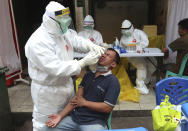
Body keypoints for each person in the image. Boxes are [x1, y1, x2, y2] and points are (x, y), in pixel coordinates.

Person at [24, 1, 105, 131]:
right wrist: (82, 62)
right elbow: (55, 67)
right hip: (48, 93)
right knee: (46, 124)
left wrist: (90, 45)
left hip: (66, 85)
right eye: (62, 22)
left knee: (67, 121)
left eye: (66, 21)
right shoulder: (37, 42)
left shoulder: (61, 31)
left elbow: (76, 39)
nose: (65, 25)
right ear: (51, 21)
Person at [40, 48, 120, 131]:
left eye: (108, 55)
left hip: (94, 122)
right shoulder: (88, 75)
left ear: (113, 64)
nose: (103, 55)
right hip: (75, 119)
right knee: (45, 129)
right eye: (103, 53)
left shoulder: (113, 81)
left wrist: (85, 103)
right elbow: (77, 100)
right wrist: (60, 116)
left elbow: (107, 108)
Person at [120, 19, 153, 95]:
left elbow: (145, 42)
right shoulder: (123, 37)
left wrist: (139, 46)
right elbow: (121, 47)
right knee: (141, 65)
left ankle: (145, 81)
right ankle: (140, 84)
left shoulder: (139, 33)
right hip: (132, 56)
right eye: (123, 30)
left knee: (153, 63)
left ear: (131, 27)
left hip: (143, 53)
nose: (126, 32)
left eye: (127, 29)